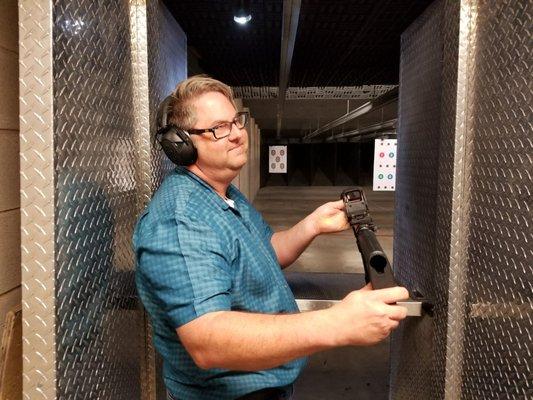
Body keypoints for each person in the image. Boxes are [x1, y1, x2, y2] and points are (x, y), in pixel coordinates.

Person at [133, 75, 409, 400]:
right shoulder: (182, 220)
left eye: (236, 121)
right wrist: (336, 323)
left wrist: (313, 225)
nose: (238, 134)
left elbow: (265, 252)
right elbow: (208, 340)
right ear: (181, 144)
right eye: (219, 128)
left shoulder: (223, 194)